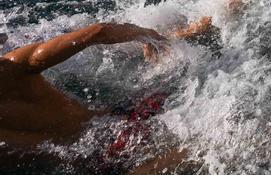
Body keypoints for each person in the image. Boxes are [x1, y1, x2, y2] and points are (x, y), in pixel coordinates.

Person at [0, 23, 170, 155]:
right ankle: (184, 35)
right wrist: (150, 36)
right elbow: (98, 32)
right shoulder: (13, 67)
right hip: (115, 132)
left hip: (87, 159)